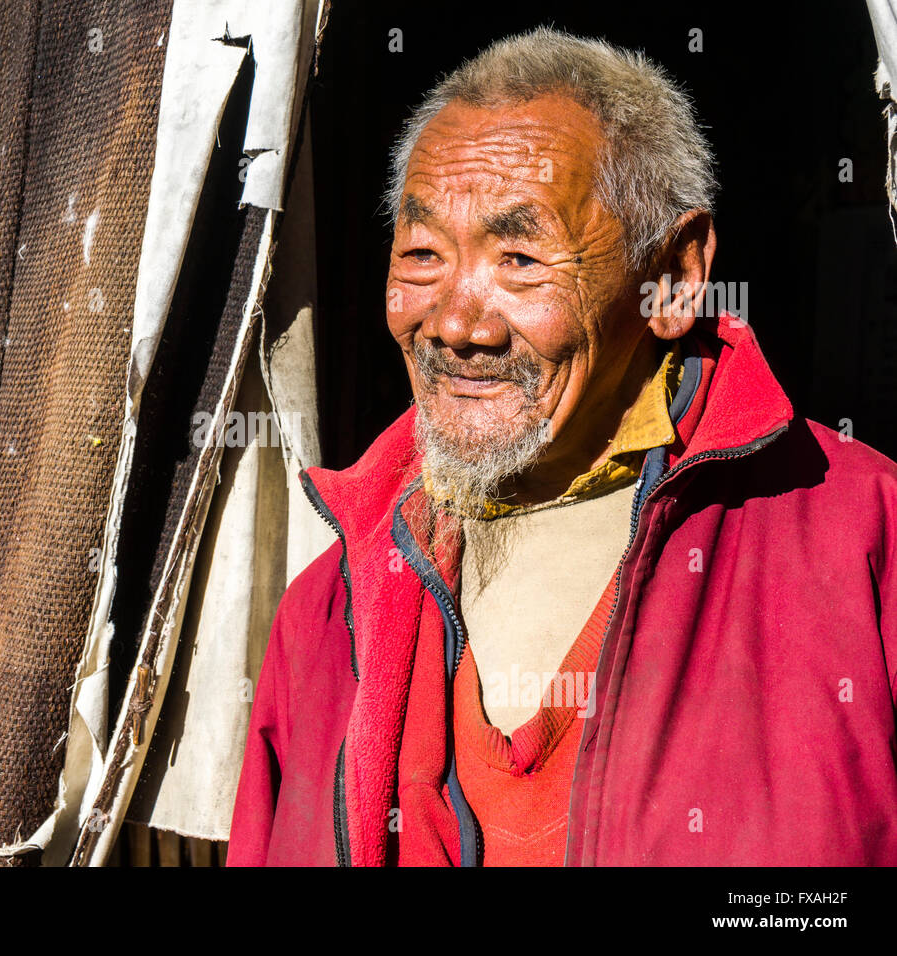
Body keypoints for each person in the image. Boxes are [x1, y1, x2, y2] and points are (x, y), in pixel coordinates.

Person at [227, 27, 897, 866]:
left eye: (519, 258)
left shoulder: (864, 545)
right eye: (425, 254)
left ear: (674, 278)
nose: (456, 325)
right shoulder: (331, 608)